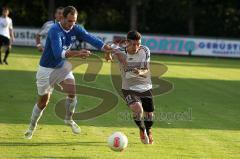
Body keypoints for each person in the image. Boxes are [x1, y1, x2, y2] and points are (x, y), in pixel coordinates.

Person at [24, 6, 112, 139]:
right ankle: (32, 126)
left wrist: (106, 49)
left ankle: (68, 119)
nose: (72, 24)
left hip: (61, 67)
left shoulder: (75, 28)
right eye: (69, 21)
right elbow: (58, 53)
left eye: (74, 21)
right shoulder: (54, 30)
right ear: (62, 18)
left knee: (72, 91)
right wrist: (78, 53)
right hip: (46, 69)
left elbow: (90, 38)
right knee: (43, 102)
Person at [112, 31, 154, 144]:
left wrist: (139, 71)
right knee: (137, 109)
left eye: (138, 44)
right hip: (128, 88)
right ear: (127, 43)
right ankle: (142, 129)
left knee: (149, 115)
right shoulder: (120, 52)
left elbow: (146, 69)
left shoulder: (145, 50)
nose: (136, 47)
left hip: (145, 86)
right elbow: (109, 55)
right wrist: (108, 55)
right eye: (134, 44)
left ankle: (149, 130)